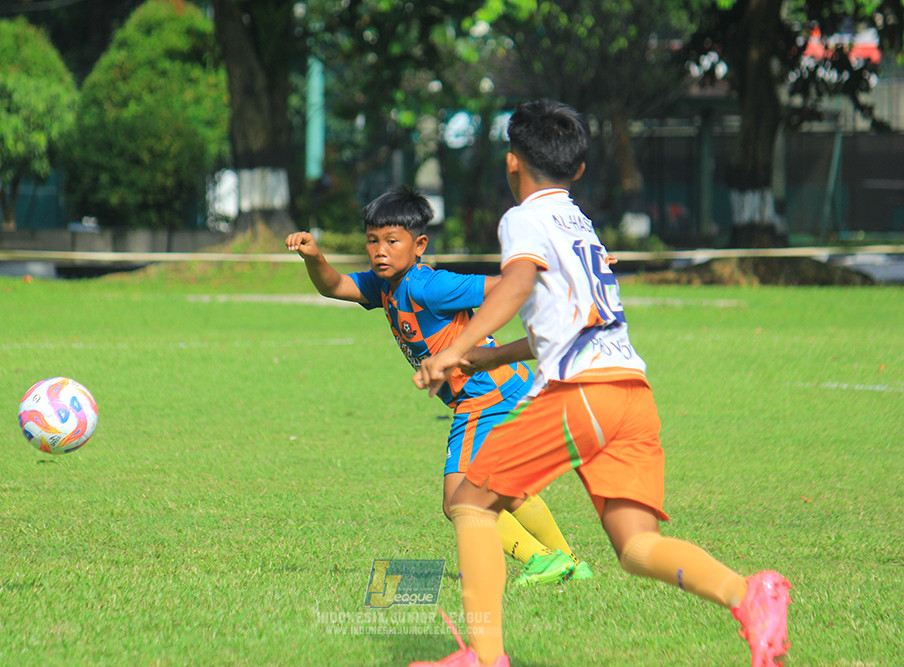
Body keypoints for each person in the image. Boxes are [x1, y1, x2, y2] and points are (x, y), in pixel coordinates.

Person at [410, 100, 792, 667]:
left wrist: (456, 350)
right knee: (637, 546)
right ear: (580, 169)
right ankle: (749, 593)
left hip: (582, 394)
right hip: (632, 394)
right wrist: (485, 362)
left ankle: (483, 658)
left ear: (512, 162)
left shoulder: (523, 218)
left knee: (469, 501)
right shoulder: (578, 221)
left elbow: (513, 286)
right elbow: (559, 324)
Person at [285, 185, 592, 586]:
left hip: (485, 397)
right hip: (507, 388)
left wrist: (565, 276)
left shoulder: (429, 286)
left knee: (458, 501)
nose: (380, 251)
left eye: (392, 241)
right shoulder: (385, 286)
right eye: (373, 241)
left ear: (419, 245)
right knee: (507, 489)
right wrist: (315, 257)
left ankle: (541, 559)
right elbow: (334, 286)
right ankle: (569, 561)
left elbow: (506, 285)